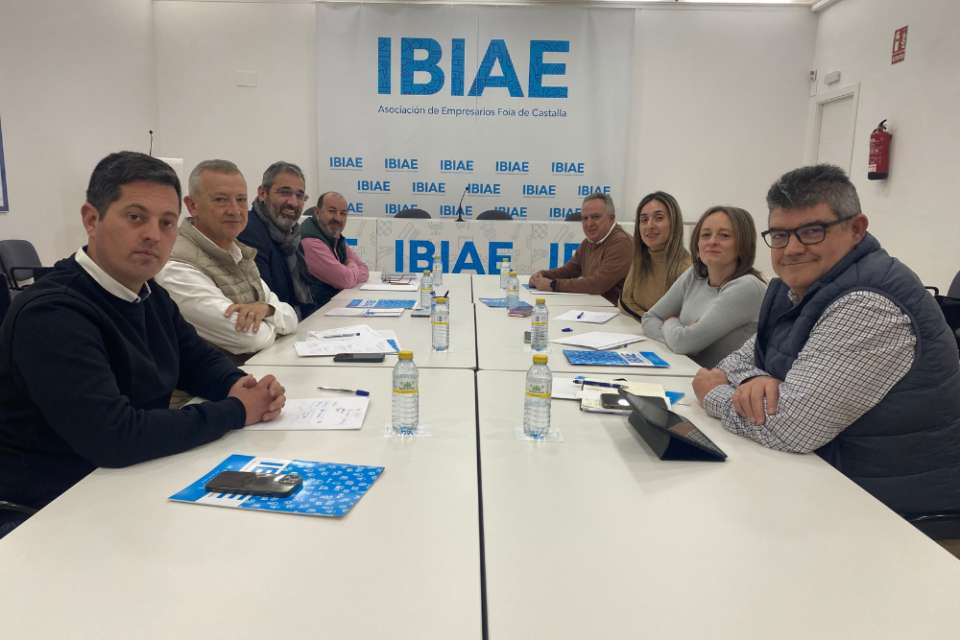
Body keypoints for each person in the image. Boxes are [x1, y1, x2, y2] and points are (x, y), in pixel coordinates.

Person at [0, 152, 286, 538]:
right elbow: (113, 436)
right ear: (91, 220)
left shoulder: (148, 294)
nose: (154, 234)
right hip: (50, 513)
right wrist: (237, 410)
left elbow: (195, 360)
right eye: (136, 217)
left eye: (166, 222)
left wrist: (237, 384)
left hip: (128, 483)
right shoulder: (52, 314)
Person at [692, 165, 960, 535]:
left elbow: (790, 428)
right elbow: (735, 362)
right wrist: (755, 381)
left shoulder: (869, 304)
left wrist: (714, 394)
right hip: (826, 488)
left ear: (857, 228)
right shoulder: (792, 289)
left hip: (899, 522)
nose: (792, 249)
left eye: (812, 231)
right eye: (780, 235)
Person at [154, 160, 298, 365]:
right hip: (207, 386)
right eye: (220, 199)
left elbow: (291, 316)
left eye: (241, 199)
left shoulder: (239, 253)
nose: (235, 210)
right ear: (192, 205)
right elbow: (250, 339)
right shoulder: (175, 266)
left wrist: (267, 310)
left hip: (252, 374)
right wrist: (276, 326)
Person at [642, 206, 767, 368]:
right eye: (706, 235)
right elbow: (649, 319)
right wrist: (680, 333)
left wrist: (671, 322)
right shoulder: (695, 274)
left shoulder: (747, 287)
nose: (712, 241)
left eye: (724, 235)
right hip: (682, 370)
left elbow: (684, 343)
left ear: (743, 245)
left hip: (723, 382)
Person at [238, 161, 318, 319]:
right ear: (262, 193)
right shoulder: (249, 232)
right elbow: (263, 302)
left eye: (299, 195)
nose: (293, 202)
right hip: (278, 325)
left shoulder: (292, 236)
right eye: (284, 192)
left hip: (296, 322)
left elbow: (307, 298)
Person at [528, 193, 632, 304]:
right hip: (595, 306)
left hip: (616, 312)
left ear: (611, 218)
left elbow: (598, 284)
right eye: (585, 218)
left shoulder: (621, 243)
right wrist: (543, 275)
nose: (589, 224)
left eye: (596, 217)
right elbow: (569, 271)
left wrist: (553, 285)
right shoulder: (589, 242)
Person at [618, 191, 692, 320]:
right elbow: (624, 301)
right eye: (644, 220)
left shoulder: (688, 270)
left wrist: (650, 323)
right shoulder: (640, 260)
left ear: (674, 223)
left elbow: (686, 322)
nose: (650, 225)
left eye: (659, 218)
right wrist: (650, 322)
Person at [300, 191, 369, 308]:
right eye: (332, 211)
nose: (337, 218)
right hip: (314, 311)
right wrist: (352, 265)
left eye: (343, 213)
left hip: (332, 305)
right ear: (317, 212)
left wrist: (349, 272)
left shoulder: (334, 237)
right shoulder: (310, 241)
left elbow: (364, 269)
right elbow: (345, 280)